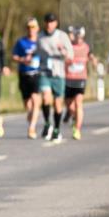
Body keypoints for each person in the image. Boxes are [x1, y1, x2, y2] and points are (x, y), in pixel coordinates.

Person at [36, 12, 73, 142]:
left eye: (51, 22)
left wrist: (62, 50)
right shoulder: (39, 37)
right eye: (47, 22)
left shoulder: (62, 36)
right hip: (44, 72)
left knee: (58, 104)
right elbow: (35, 52)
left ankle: (57, 129)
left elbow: (70, 56)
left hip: (58, 73)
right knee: (46, 98)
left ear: (56, 23)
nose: (49, 24)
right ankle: (47, 123)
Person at [62, 26, 97, 141]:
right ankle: (74, 117)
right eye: (77, 36)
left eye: (81, 36)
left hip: (80, 79)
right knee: (69, 105)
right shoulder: (69, 46)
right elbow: (62, 55)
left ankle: (77, 129)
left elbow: (92, 57)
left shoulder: (86, 47)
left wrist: (94, 62)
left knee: (78, 103)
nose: (79, 38)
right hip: (68, 78)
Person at [12, 17, 43, 139]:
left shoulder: (41, 42)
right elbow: (14, 56)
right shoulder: (21, 42)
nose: (31, 29)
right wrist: (22, 60)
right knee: (28, 105)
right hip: (24, 74)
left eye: (33, 27)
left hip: (36, 74)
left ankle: (32, 128)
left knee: (36, 100)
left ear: (38, 28)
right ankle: (30, 116)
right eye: (29, 27)